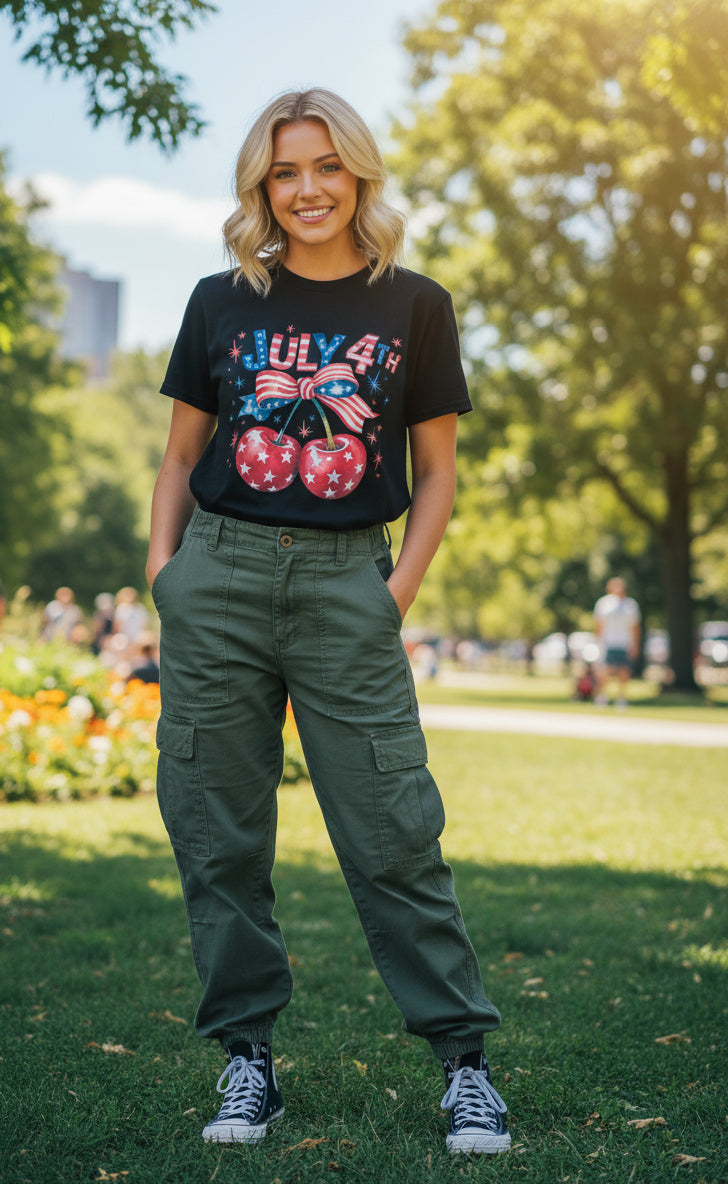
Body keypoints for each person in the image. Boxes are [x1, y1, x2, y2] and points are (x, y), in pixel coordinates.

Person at [145, 88, 510, 1156]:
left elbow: (437, 474)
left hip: (350, 582)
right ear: (262, 187)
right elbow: (180, 455)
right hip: (218, 577)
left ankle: (465, 1064)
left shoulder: (415, 305)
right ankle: (247, 1058)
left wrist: (393, 594)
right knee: (216, 830)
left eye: (325, 168)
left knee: (395, 828)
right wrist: (166, 575)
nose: (307, 190)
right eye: (284, 172)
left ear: (358, 175)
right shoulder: (220, 300)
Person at [593, 576, 641, 708]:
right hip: (608, 642)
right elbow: (598, 625)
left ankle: (621, 698)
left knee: (624, 671)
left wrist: (635, 644)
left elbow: (635, 627)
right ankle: (602, 696)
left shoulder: (630, 605)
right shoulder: (603, 604)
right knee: (605, 671)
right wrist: (597, 642)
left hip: (624, 642)